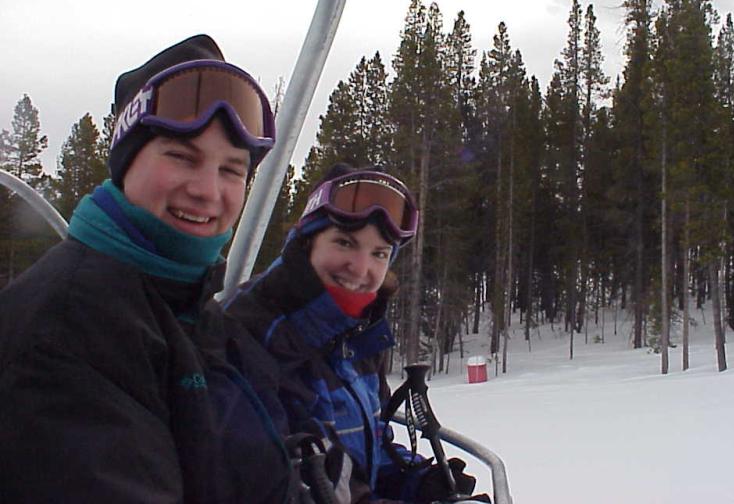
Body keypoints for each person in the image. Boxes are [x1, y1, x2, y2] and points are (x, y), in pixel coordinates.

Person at [0, 35, 296, 503]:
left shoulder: (192, 307)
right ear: (126, 162)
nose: (207, 190)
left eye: (231, 170)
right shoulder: (68, 327)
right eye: (182, 157)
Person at [225, 163, 487, 503]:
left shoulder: (355, 334)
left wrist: (417, 482)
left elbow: (368, 453)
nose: (361, 268)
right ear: (307, 242)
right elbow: (288, 488)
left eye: (379, 253)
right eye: (344, 243)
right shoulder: (253, 335)